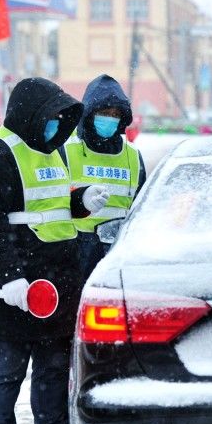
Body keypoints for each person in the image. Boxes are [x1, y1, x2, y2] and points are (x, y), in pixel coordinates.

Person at [0, 77, 111, 424]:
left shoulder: (55, 151)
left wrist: (80, 201)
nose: (56, 126)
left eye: (60, 120)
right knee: (7, 370)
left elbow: (49, 206)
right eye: (50, 118)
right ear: (30, 115)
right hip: (15, 285)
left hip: (57, 280)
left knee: (52, 369)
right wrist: (12, 277)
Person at [64, 75, 147, 280]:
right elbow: (53, 200)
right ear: (89, 114)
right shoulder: (66, 151)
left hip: (119, 254)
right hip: (76, 253)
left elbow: (142, 209)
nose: (110, 118)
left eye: (115, 114)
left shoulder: (133, 157)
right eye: (103, 112)